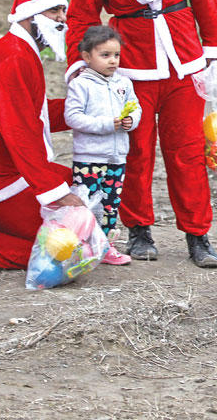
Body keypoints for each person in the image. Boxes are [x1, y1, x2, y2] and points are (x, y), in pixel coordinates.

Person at [65, 0, 217, 268]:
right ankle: (139, 230)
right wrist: (82, 64)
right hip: (129, 66)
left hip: (183, 57)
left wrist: (216, 50)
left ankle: (198, 234)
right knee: (134, 151)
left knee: (187, 150)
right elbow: (83, 13)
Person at [0, 0, 83, 269]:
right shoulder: (12, 57)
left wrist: (89, 110)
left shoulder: (19, 51)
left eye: (64, 11)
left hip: (1, 173)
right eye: (54, 11)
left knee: (81, 184)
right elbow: (19, 132)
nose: (63, 19)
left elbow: (33, 113)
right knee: (70, 240)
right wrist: (56, 194)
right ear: (29, 14)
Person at [65, 25, 142, 266]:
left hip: (117, 157)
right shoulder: (81, 85)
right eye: (105, 55)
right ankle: (81, 248)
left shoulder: (123, 83)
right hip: (89, 158)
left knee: (111, 205)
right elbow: (73, 117)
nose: (113, 61)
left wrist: (131, 121)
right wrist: (107, 124)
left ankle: (105, 247)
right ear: (87, 57)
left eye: (116, 55)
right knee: (87, 205)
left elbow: (136, 106)